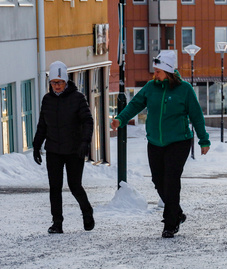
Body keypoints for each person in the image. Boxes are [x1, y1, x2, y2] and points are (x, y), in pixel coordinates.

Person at [110, 50, 210, 238]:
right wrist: (120, 119)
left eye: (158, 71)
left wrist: (203, 139)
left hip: (179, 141)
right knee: (158, 180)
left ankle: (170, 224)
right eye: (155, 71)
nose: (154, 74)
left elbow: (196, 115)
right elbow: (135, 105)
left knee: (171, 181)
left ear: (168, 72)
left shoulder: (184, 90)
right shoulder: (150, 87)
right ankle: (177, 213)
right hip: (155, 142)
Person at [32, 61, 95, 234]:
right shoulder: (47, 100)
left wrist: (84, 142)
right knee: (55, 187)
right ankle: (57, 222)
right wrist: (36, 145)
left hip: (74, 150)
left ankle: (87, 211)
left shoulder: (78, 98)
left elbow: (88, 121)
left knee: (74, 185)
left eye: (59, 83)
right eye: (53, 83)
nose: (57, 86)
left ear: (66, 82)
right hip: (54, 150)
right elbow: (42, 125)